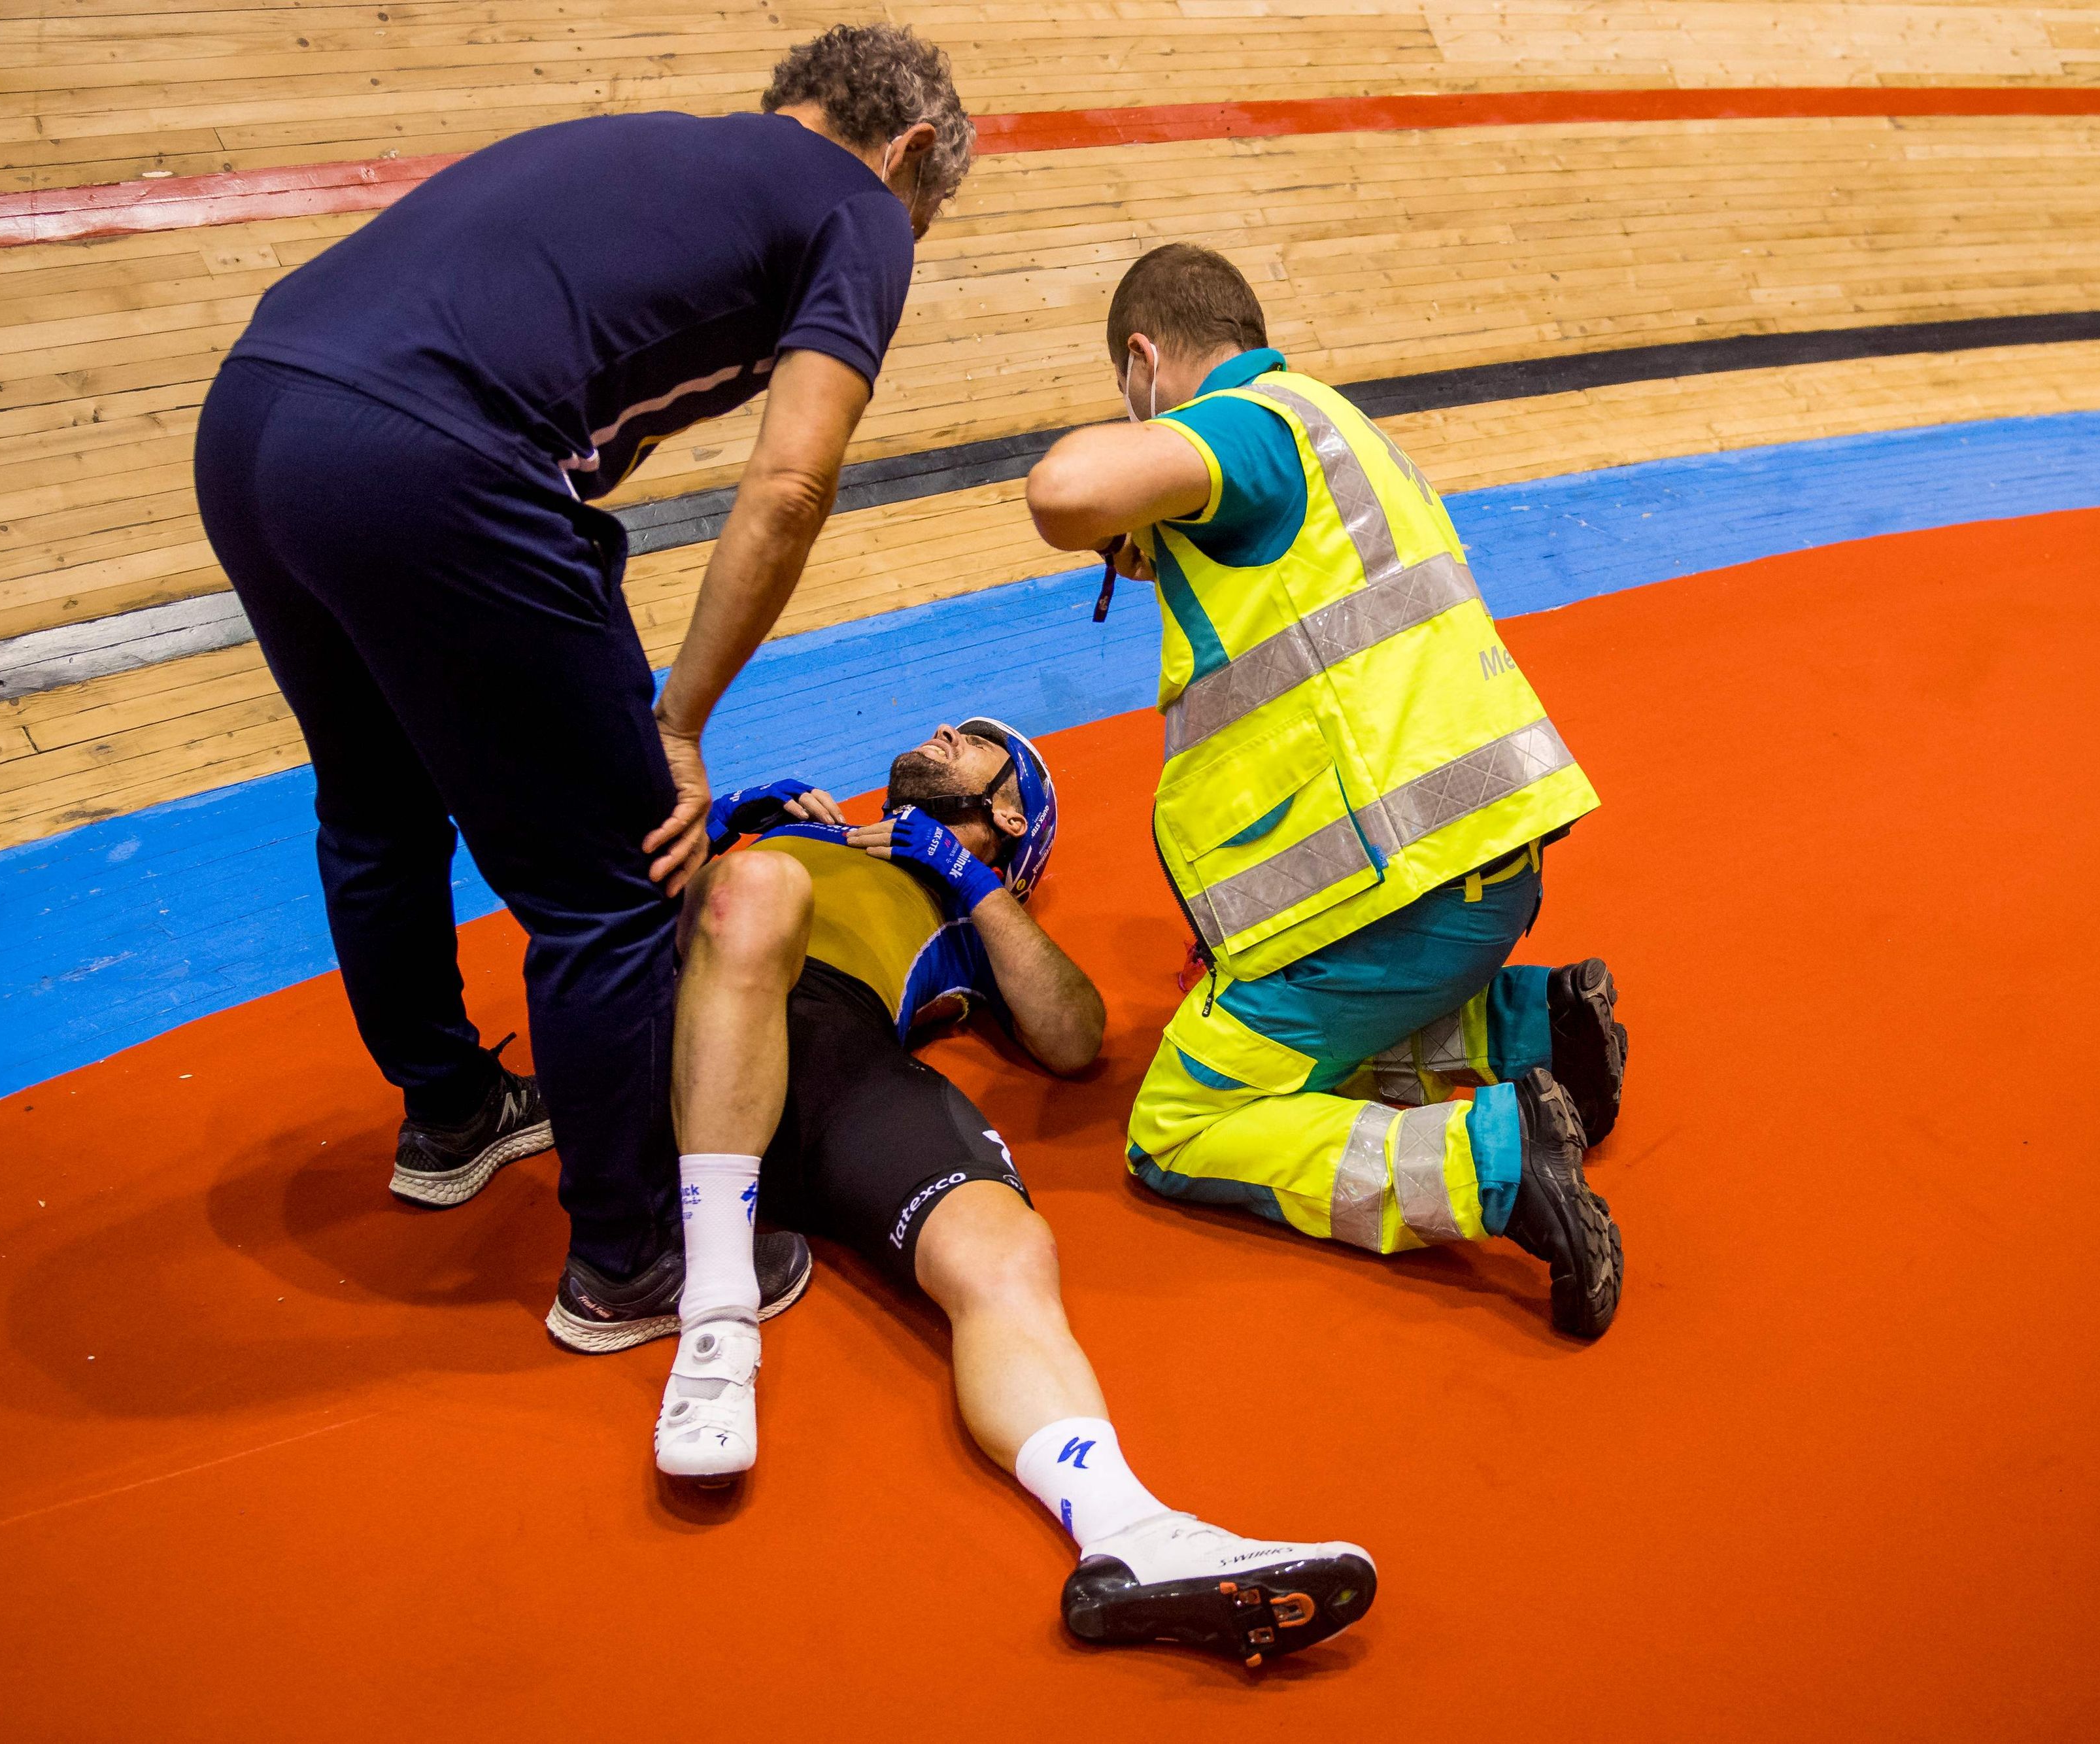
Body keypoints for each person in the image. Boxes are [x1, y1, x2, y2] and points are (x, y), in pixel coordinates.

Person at [190, 27, 973, 1342]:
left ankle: (447, 1111)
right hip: (425, 453)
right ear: (903, 148)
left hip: (257, 409)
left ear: (787, 102)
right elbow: (790, 482)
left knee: (375, 803)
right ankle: (631, 1257)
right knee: (617, 871)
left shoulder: (673, 151)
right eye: (925, 211)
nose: (909, 237)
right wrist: (673, 719)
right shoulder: (856, 202)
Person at [655, 719, 1378, 1667]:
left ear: (1006, 812)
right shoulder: (787, 842)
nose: (946, 729)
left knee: (1009, 1250)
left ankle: (1131, 1532)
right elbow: (609, 915)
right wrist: (719, 837)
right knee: (756, 888)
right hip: (686, 1041)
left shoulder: (966, 910)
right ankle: (717, 1321)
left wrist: (971, 882)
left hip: (831, 1064)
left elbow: (1075, 1036)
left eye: (978, 743)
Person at [1023, 245, 1634, 1339]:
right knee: (1300, 1035)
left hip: (1395, 899)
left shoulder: (1244, 427)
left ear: (1143, 361)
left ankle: (1493, 1164)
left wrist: (1145, 463)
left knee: (1177, 1123)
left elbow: (1063, 490)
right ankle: (1534, 1024)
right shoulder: (1336, 426)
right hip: (1482, 870)